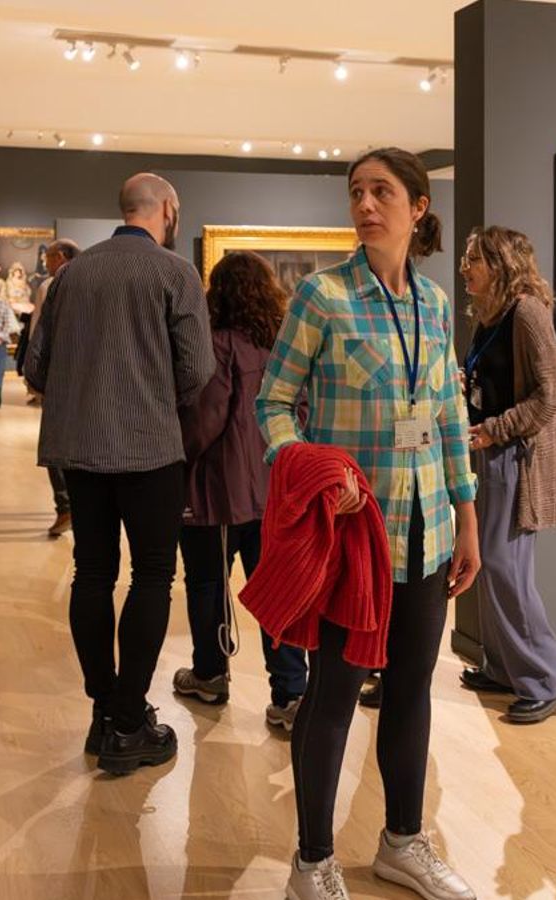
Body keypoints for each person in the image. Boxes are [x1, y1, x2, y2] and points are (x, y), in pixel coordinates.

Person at [257, 147, 480, 900]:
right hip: (355, 541)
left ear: (418, 208)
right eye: (356, 192)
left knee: (413, 688)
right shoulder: (322, 297)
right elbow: (273, 405)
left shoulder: (436, 303)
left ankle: (402, 842)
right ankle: (312, 861)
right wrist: (315, 472)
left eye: (382, 192)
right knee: (334, 693)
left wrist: (467, 511)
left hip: (429, 530)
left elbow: (448, 412)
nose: (365, 205)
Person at [25, 173, 213, 777]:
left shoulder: (71, 275)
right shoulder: (173, 272)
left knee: (92, 572)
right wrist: (154, 397)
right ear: (167, 209)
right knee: (153, 576)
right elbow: (197, 370)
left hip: (80, 449)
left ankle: (104, 710)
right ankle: (130, 720)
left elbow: (37, 366)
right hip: (150, 448)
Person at [173, 251, 308, 731]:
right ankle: (292, 693)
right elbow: (302, 415)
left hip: (216, 492)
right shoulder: (283, 349)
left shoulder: (217, 348)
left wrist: (175, 458)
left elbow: (204, 421)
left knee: (208, 585)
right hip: (274, 490)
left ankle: (210, 674)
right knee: (277, 591)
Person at [458, 226, 556, 724]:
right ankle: (504, 668)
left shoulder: (526, 311)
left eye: (475, 260)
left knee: (506, 568)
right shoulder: (491, 315)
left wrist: (495, 429)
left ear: (502, 264)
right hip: (491, 452)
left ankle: (547, 679)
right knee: (490, 564)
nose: (466, 268)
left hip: (513, 456)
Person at [26, 238, 79, 536]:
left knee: (56, 444)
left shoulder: (52, 285)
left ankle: (65, 506)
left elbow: (39, 334)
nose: (45, 263)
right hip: (86, 379)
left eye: (48, 258)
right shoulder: (90, 278)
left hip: (58, 376)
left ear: (59, 256)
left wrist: (34, 378)